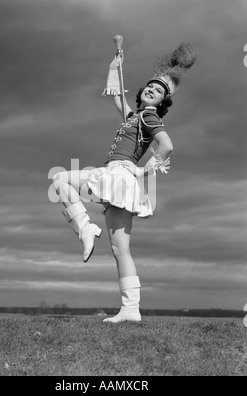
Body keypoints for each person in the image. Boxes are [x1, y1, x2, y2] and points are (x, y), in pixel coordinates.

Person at [52, 42, 196, 323]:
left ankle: (85, 229)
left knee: (61, 179)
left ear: (161, 102)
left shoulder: (150, 116)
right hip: (115, 176)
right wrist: (114, 66)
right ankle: (130, 308)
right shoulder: (135, 115)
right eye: (149, 88)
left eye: (159, 91)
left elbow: (167, 145)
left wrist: (143, 172)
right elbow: (119, 98)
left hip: (120, 176)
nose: (152, 91)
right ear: (141, 92)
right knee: (120, 249)